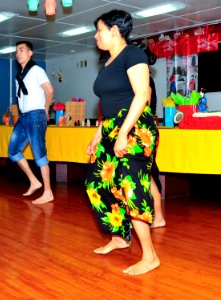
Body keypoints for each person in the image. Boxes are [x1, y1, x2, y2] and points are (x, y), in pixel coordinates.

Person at [85, 10, 160, 275]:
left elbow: (142, 96)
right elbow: (106, 104)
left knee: (131, 186)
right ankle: (119, 236)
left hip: (135, 126)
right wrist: (98, 135)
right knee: (96, 182)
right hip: (112, 126)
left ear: (115, 31)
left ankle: (150, 256)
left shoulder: (133, 55)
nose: (96, 35)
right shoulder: (107, 63)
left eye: (99, 30)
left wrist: (123, 133)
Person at [8, 41, 54, 205]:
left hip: (36, 115)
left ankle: (48, 192)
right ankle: (34, 181)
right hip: (24, 117)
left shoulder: (36, 70)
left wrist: (46, 109)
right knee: (13, 151)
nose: (18, 53)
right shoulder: (19, 75)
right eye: (16, 51)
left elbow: (49, 90)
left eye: (22, 50)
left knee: (39, 155)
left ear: (30, 53)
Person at [139, 43, 166, 228]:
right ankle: (154, 216)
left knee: (145, 173)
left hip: (144, 129)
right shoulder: (142, 77)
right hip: (143, 128)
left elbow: (143, 104)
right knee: (144, 172)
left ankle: (157, 216)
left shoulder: (144, 78)